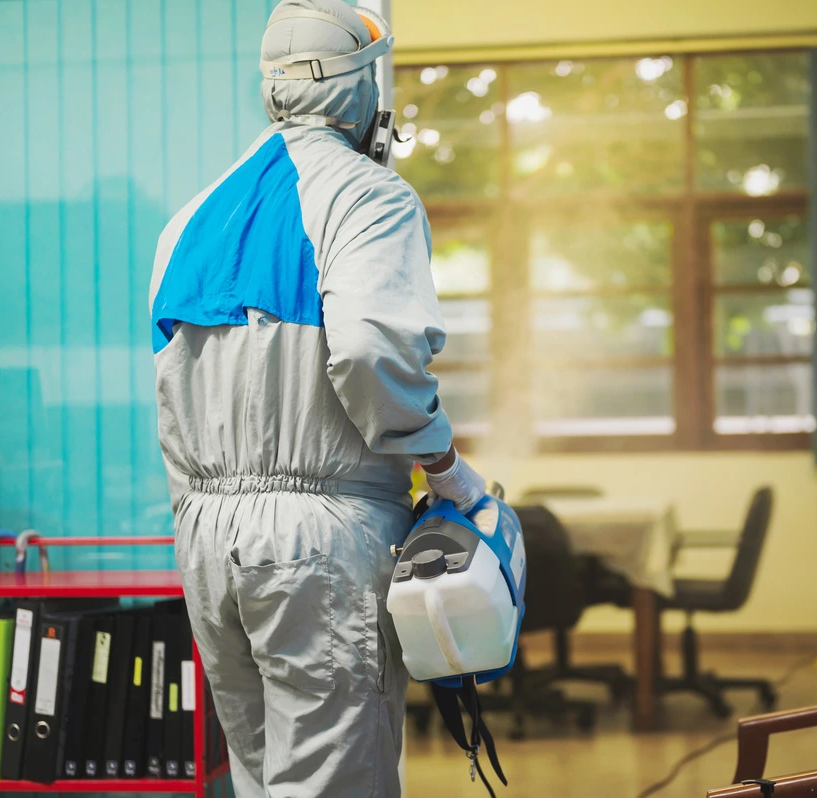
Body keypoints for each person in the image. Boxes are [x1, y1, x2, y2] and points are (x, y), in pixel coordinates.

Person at [148, 1, 486, 794]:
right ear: (356, 86)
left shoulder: (191, 216)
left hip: (204, 534)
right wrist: (444, 469)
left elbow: (170, 391)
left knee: (262, 778)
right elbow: (371, 349)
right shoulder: (368, 198)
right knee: (335, 781)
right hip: (319, 537)